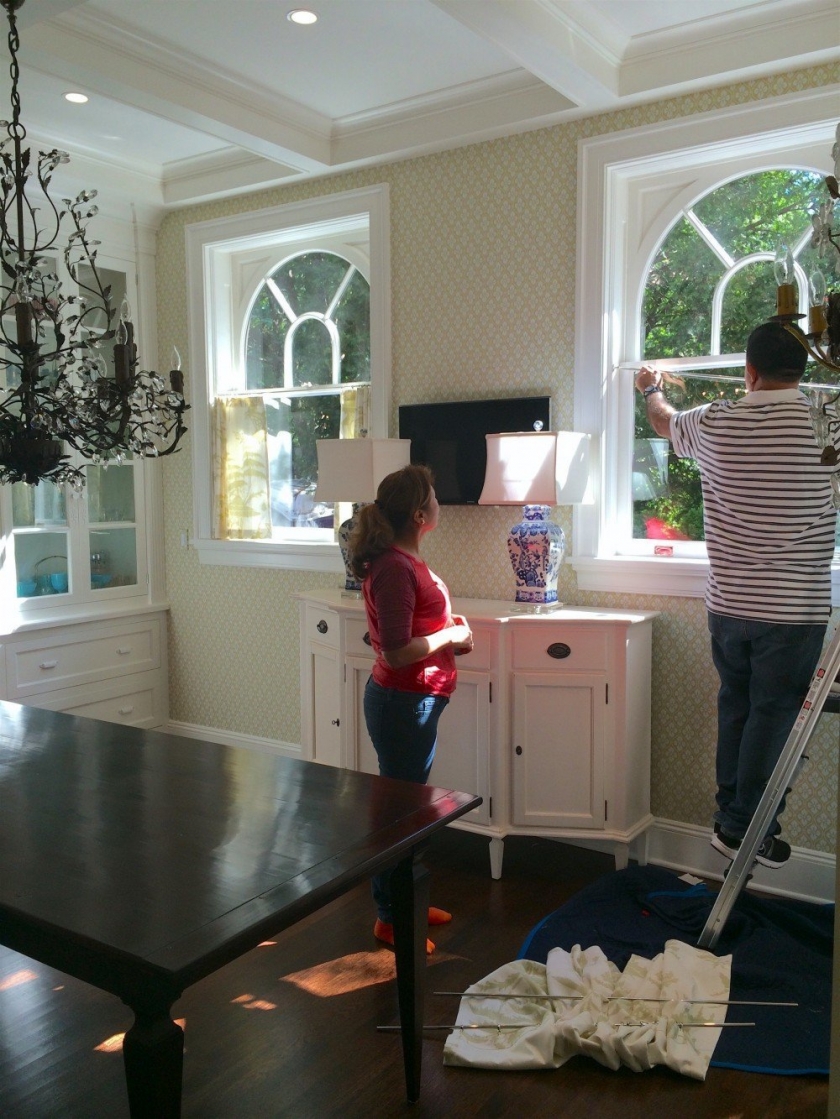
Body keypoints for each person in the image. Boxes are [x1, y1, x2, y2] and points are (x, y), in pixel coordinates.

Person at [635, 321, 839, 869]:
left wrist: (650, 385)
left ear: (749, 371)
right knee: (773, 716)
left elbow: (661, 421)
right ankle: (746, 825)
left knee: (738, 709)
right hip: (793, 610)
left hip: (728, 606)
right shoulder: (829, 422)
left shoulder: (716, 420)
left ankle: (735, 820)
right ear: (806, 369)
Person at [349, 463, 474, 952]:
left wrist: (449, 637)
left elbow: (406, 633)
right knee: (399, 817)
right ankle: (391, 917)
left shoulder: (404, 560)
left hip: (416, 700)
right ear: (421, 513)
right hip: (403, 702)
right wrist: (449, 635)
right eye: (436, 496)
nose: (441, 502)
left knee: (406, 810)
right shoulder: (395, 568)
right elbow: (397, 651)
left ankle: (406, 907)